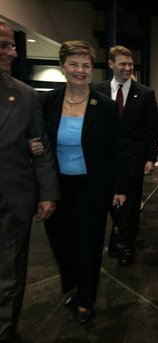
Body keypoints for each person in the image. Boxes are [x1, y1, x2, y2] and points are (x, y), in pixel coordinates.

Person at [39, 40, 127, 324]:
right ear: (63, 67)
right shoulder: (48, 102)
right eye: (74, 64)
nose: (80, 70)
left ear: (93, 68)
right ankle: (73, 285)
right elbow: (40, 141)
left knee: (88, 244)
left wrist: (119, 187)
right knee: (61, 242)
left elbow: (116, 149)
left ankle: (85, 299)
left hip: (92, 188)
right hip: (58, 187)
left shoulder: (104, 106)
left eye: (86, 65)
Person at [0, 21, 60, 341]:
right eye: (4, 45)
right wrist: (18, 145)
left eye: (12, 45)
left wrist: (48, 192)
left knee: (10, 274)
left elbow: (42, 147)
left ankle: (6, 330)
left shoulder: (25, 95)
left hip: (14, 198)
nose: (12, 52)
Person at [92, 45, 158, 266]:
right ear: (111, 65)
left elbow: (152, 129)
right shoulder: (98, 91)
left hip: (133, 160)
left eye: (130, 64)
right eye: (123, 64)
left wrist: (150, 157)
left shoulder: (146, 93)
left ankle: (126, 247)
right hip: (104, 161)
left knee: (130, 208)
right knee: (108, 203)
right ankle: (118, 238)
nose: (128, 68)